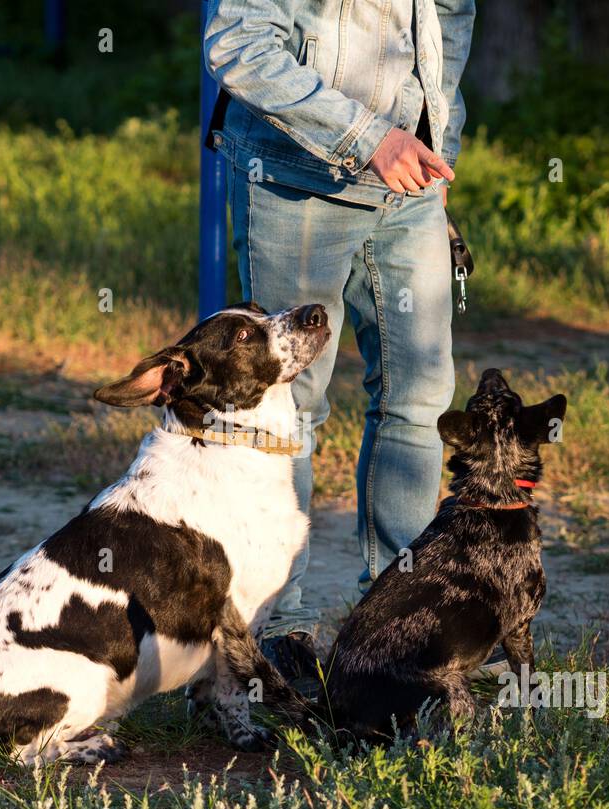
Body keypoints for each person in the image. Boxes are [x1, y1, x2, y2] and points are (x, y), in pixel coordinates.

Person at [203, 0, 477, 681]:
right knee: (289, 409)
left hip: (408, 187)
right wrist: (368, 137)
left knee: (420, 399)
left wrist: (436, 143)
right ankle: (277, 630)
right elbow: (237, 41)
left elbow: (450, 17)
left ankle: (393, 622)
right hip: (297, 181)